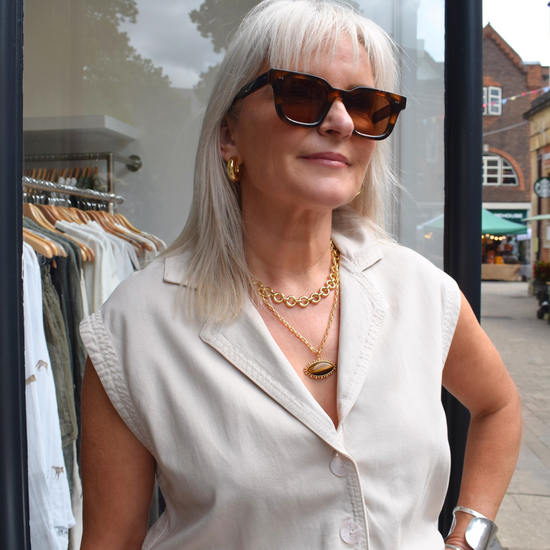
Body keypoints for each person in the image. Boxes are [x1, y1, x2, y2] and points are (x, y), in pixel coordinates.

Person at [79, 0, 522, 549]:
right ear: (229, 135)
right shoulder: (134, 329)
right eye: (302, 95)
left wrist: (468, 536)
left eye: (367, 107)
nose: (340, 122)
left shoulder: (421, 291)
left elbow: (499, 406)